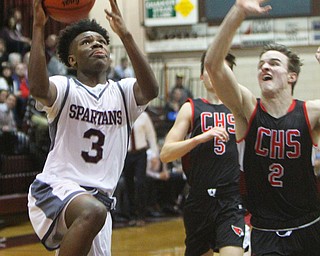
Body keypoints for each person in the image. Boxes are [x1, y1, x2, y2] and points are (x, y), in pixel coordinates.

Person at [27, 1, 159, 256]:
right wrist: (37, 27)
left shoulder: (122, 92)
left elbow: (151, 90)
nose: (97, 44)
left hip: (99, 202)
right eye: (86, 42)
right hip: (58, 187)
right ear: (72, 59)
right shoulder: (66, 88)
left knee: (95, 212)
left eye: (101, 41)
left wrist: (126, 35)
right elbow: (38, 89)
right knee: (92, 211)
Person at [204, 0, 320, 255]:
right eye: (261, 64)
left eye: (274, 63)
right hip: (266, 232)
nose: (265, 67)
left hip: (310, 227)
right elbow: (213, 65)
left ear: (292, 76)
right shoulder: (248, 109)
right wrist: (238, 12)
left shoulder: (310, 112)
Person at [160, 51, 247, 256]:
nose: (216, 74)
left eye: (223, 69)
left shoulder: (240, 108)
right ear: (201, 76)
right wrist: (200, 138)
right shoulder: (191, 108)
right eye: (211, 69)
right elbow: (165, 154)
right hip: (199, 198)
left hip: (231, 199)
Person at [121, 110, 160, 226]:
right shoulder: (122, 116)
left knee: (140, 183)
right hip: (126, 154)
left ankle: (141, 215)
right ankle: (132, 215)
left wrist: (154, 155)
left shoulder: (143, 116)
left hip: (140, 153)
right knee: (128, 184)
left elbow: (151, 136)